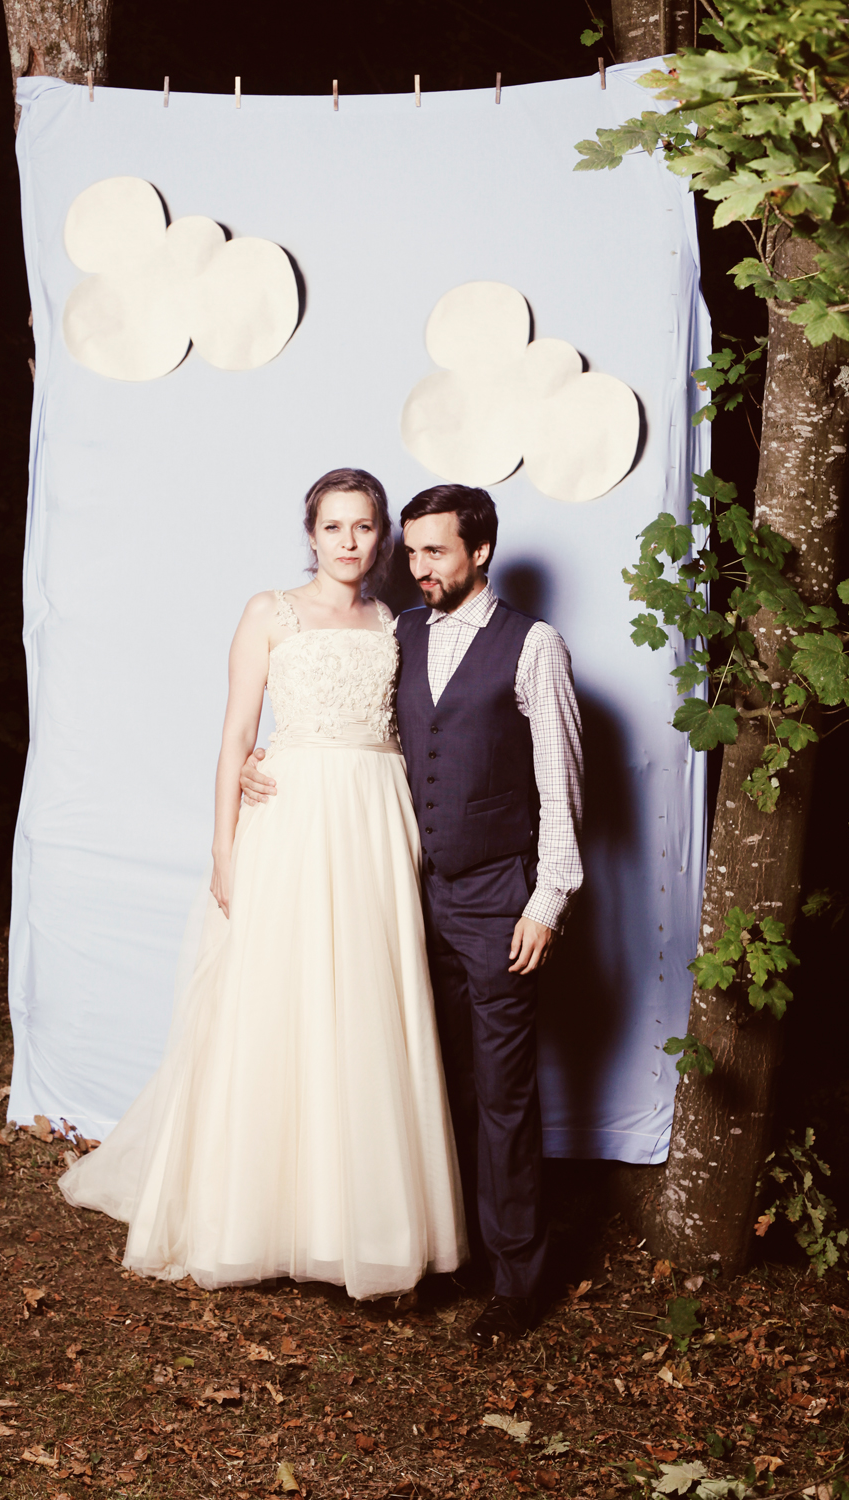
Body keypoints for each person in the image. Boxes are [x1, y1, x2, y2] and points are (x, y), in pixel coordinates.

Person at [59, 468, 467, 1301]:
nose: (349, 542)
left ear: (382, 537)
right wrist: (223, 845)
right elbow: (236, 732)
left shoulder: (395, 621)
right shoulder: (268, 613)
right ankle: (253, 1215)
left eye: (364, 527)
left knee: (366, 996)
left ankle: (354, 1223)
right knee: (279, 993)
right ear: (311, 535)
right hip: (292, 814)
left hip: (375, 812)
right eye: (333, 527)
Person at [243, 484, 583, 1348]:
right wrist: (268, 756)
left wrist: (548, 899)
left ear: (481, 551)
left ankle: (516, 1280)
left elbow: (561, 783)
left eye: (437, 551)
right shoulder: (403, 633)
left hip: (498, 901)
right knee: (431, 1078)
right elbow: (358, 734)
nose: (419, 566)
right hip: (403, 892)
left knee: (504, 1095)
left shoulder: (533, 645)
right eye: (414, 551)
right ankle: (452, 1247)